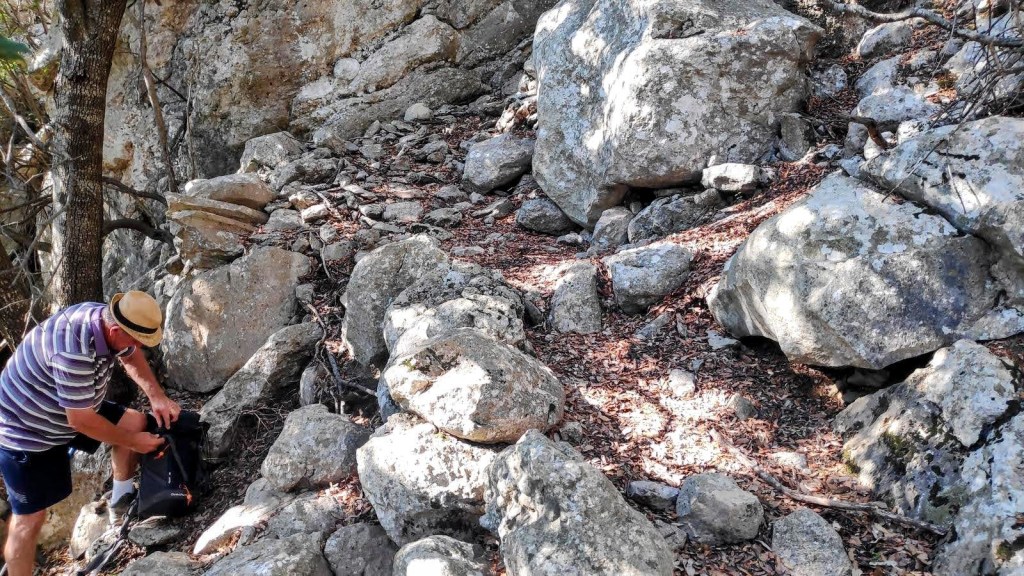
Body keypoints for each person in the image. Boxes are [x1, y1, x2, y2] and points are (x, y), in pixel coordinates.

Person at [0, 291, 180, 576]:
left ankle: (120, 504)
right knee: (29, 520)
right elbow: (80, 421)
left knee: (134, 423)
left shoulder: (108, 318)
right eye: (134, 338)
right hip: (25, 429)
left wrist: (156, 396)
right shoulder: (72, 351)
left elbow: (129, 353)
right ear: (115, 330)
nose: (137, 346)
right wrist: (135, 443)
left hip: (68, 403)